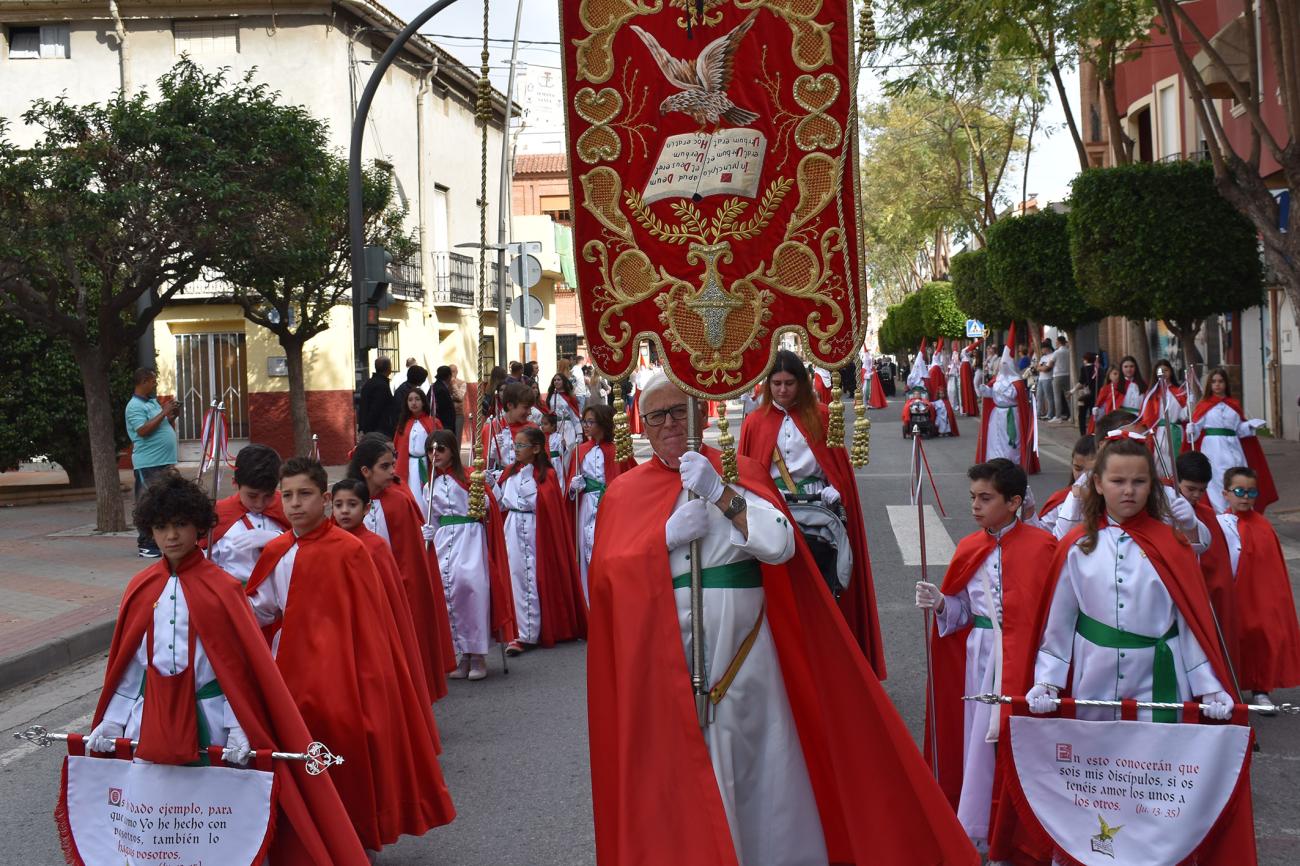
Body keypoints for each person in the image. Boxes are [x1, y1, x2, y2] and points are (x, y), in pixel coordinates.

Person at [587, 373, 978, 866]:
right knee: (685, 784)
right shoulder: (624, 494)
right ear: (642, 424)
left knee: (762, 778)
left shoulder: (736, 469)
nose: (668, 425)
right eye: (657, 416)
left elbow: (780, 545)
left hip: (746, 659)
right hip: (667, 665)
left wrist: (722, 496)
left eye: (678, 413)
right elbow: (604, 582)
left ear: (697, 417)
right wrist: (659, 540)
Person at [84, 474, 369, 865]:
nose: (171, 536)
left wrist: (239, 726)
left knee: (214, 816)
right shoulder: (140, 587)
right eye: (161, 527)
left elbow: (239, 670)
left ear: (199, 526)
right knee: (157, 813)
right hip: (149, 721)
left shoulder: (223, 588)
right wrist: (114, 721)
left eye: (180, 525)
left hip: (212, 718)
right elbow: (131, 667)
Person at [246, 457, 455, 852]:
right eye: (286, 495)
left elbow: (372, 626)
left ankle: (352, 837)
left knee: (342, 753)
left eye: (304, 495)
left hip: (341, 674)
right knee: (296, 753)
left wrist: (370, 680)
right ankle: (305, 836)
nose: (294, 504)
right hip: (290, 669)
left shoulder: (349, 550)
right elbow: (265, 607)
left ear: (324, 498)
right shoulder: (276, 549)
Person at [1022, 436, 1235, 722]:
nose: (1128, 491)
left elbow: (1189, 621)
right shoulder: (1077, 546)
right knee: (1095, 758)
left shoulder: (1172, 546)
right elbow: (1060, 621)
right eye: (1118, 481)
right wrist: (1047, 680)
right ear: (1098, 484)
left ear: (1152, 486)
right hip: (1094, 677)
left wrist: (1208, 686)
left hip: (1159, 677)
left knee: (1157, 760)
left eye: (1139, 482)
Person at [915, 459, 1057, 851]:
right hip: (980, 662)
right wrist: (941, 603)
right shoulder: (969, 547)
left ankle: (1025, 830)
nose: (975, 506)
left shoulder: (1043, 546)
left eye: (985, 498)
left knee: (1020, 741)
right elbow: (963, 613)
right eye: (972, 497)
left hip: (1025, 660)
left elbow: (1053, 614)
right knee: (979, 743)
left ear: (1014, 503)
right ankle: (979, 828)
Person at [738, 350, 887, 677]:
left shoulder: (822, 415)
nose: (782, 390)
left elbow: (837, 469)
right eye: (775, 383)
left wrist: (836, 489)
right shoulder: (754, 423)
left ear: (801, 383)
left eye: (789, 382)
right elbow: (746, 476)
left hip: (818, 513)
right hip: (773, 513)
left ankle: (826, 659)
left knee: (822, 591)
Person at [350, 434, 452, 701]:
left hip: (396, 588)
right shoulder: (349, 501)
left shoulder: (399, 500)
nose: (392, 472)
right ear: (365, 471)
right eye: (385, 466)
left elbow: (410, 556)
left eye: (392, 464)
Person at [419, 429, 516, 679]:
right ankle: (461, 655)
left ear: (452, 450)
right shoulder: (429, 485)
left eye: (440, 449)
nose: (434, 454)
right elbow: (430, 516)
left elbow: (492, 505)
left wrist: (482, 502)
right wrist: (428, 530)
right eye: (430, 450)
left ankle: (478, 656)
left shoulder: (471, 477)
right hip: (444, 541)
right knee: (447, 592)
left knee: (471, 587)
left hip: (470, 538)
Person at [330, 478, 432, 707]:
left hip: (371, 626)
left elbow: (387, 596)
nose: (344, 511)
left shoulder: (375, 546)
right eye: (338, 505)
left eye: (352, 504)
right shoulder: (327, 542)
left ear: (367, 508)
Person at [1216, 466, 1300, 709]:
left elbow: (1274, 570)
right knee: (1233, 639)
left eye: (1251, 492)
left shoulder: (1263, 526)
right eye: (1239, 491)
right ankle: (1231, 687)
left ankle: (1261, 688)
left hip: (1261, 597)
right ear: (1226, 494)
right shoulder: (1220, 524)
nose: (1245, 497)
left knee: (1262, 637)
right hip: (1234, 594)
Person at [498, 426, 586, 655]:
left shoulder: (546, 476)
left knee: (529, 578)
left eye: (520, 445)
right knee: (515, 578)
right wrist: (489, 487)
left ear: (536, 448)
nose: (515, 449)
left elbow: (546, 505)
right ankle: (517, 628)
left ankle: (527, 634)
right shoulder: (510, 472)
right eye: (514, 444)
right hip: (512, 529)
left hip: (534, 530)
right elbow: (502, 503)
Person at [1176, 450, 1238, 673]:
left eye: (1201, 490)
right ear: (1175, 482)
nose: (1195, 496)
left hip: (1204, 593)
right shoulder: (1161, 511)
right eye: (1190, 489)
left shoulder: (1207, 515)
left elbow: (1216, 562)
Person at [567, 404, 636, 600]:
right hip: (586, 506)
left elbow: (630, 478)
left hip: (611, 507)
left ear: (604, 424)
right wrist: (574, 487)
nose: (586, 426)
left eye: (591, 422)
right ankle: (588, 603)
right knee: (586, 551)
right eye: (584, 421)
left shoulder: (618, 450)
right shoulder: (579, 451)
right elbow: (569, 489)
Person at [1189, 366, 1278, 513]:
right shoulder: (1204, 405)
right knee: (1217, 481)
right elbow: (1196, 430)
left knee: (1237, 476)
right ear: (1210, 385)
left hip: (1234, 448)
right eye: (1214, 381)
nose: (1217, 384)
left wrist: (1249, 425)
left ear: (1226, 384)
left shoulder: (1233, 405)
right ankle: (1221, 513)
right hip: (1213, 449)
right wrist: (1192, 429)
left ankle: (1238, 511)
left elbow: (1239, 429)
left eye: (1221, 381)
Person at [205, 443, 287, 583]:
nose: (259, 504)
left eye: (268, 496)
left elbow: (310, 543)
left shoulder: (288, 507)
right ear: (235, 483)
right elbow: (204, 561)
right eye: (252, 496)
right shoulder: (218, 514)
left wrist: (280, 538)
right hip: (234, 596)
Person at [126, 367, 178, 558]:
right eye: (153, 380)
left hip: (163, 461)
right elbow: (142, 430)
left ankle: (157, 541)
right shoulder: (134, 406)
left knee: (163, 502)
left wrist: (172, 414)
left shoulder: (151, 402)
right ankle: (146, 544)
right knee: (147, 503)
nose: (156, 383)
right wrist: (164, 412)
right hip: (148, 463)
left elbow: (162, 425)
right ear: (144, 381)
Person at [974, 337, 1039, 474]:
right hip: (997, 414)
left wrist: (1001, 388)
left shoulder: (1016, 381)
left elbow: (1013, 395)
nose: (1001, 367)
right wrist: (986, 390)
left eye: (1004, 364)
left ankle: (1011, 462)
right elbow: (993, 395)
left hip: (1012, 414)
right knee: (995, 438)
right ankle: (996, 460)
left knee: (1011, 439)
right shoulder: (997, 379)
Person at [1027, 434, 1095, 539]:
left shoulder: (1112, 505)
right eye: (1077, 468)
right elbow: (1040, 536)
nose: (1083, 477)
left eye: (1090, 472)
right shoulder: (1061, 499)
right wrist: (1029, 513)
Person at [1137, 358, 1187, 480]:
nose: (1163, 373)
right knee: (1160, 459)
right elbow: (1148, 416)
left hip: (1176, 430)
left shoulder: (1179, 391)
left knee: (1177, 458)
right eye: (1160, 371)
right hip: (1160, 432)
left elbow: (1184, 415)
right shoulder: (1152, 393)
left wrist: (1189, 403)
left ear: (1171, 371)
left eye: (1166, 370)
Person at [394, 386, 441, 509]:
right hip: (409, 465)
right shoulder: (403, 423)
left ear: (423, 402)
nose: (413, 403)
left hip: (427, 463)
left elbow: (441, 443)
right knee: (412, 493)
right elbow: (397, 446)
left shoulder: (433, 422)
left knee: (427, 494)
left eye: (417, 399)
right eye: (410, 400)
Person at [482, 382, 538, 476]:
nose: (529, 413)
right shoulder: (491, 428)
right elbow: (484, 467)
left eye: (530, 408)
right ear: (510, 405)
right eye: (525, 407)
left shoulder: (533, 429)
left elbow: (543, 465)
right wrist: (491, 456)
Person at [546, 372, 584, 455]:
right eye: (555, 380)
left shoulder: (570, 397)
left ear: (563, 381)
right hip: (555, 427)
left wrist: (579, 433)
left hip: (568, 426)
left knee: (569, 449)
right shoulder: (551, 396)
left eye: (559, 380)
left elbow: (575, 416)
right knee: (556, 451)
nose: (556, 381)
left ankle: (568, 468)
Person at [927, 344, 960, 436]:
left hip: (939, 396)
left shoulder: (935, 368)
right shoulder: (935, 368)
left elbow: (937, 383)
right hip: (937, 397)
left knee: (945, 416)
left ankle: (946, 430)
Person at [358, 356, 395, 435]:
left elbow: (362, 408)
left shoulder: (368, 383)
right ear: (389, 369)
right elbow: (376, 410)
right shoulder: (382, 386)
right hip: (378, 431)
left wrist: (362, 428)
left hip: (369, 429)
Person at [1076, 351, 1101, 436]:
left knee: (1081, 415)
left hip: (1085, 395)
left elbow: (1081, 382)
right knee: (1092, 414)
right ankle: (1092, 431)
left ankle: (1083, 433)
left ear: (1086, 360)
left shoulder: (1084, 368)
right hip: (1096, 394)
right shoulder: (1099, 369)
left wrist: (1072, 391)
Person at [1049, 334, 1072, 423]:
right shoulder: (1068, 351)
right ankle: (1072, 415)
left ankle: (1058, 416)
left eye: (1056, 342)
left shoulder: (1057, 352)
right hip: (1067, 374)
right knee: (1068, 396)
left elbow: (1050, 364)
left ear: (1058, 342)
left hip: (1057, 375)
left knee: (1057, 396)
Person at [431, 365, 457, 433]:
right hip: (444, 426)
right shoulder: (441, 389)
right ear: (449, 376)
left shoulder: (437, 386)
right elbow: (444, 410)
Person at [449, 364, 468, 443]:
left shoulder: (462, 383)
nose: (452, 374)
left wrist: (453, 384)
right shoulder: (445, 383)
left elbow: (460, 397)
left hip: (458, 414)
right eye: (450, 372)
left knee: (457, 438)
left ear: (457, 372)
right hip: (447, 414)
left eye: (453, 371)